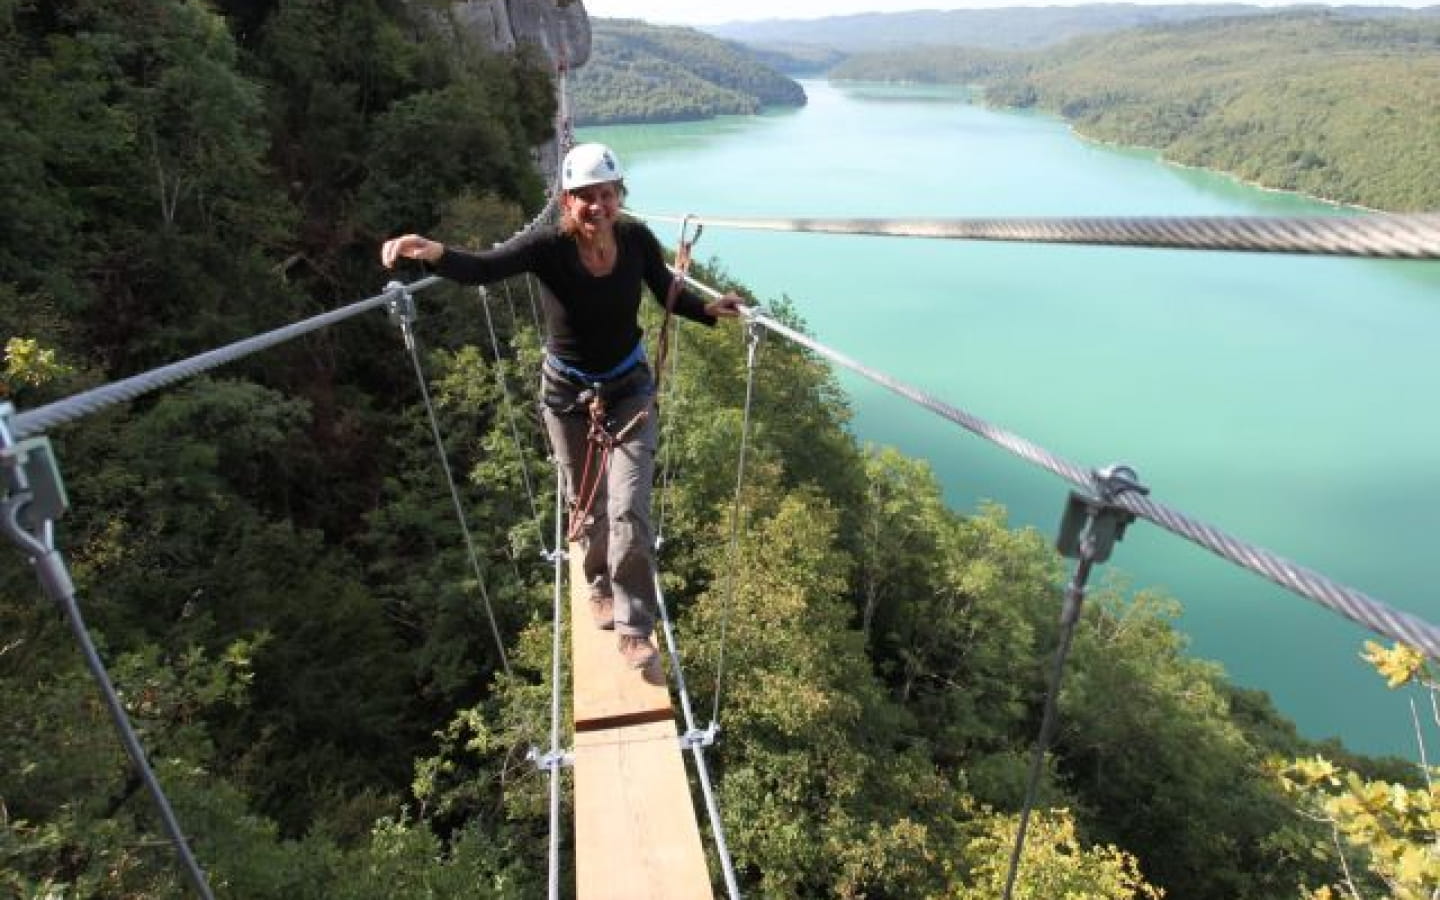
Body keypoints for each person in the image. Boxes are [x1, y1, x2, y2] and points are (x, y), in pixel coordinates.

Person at [381, 143, 742, 670]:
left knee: (629, 509)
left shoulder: (636, 237)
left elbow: (664, 289)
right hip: (568, 396)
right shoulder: (547, 247)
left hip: (629, 390)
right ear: (566, 201)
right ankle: (597, 582)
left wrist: (706, 308)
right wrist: (432, 251)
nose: (598, 205)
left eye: (607, 194)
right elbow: (484, 268)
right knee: (587, 502)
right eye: (585, 197)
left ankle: (635, 628)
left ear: (619, 196)